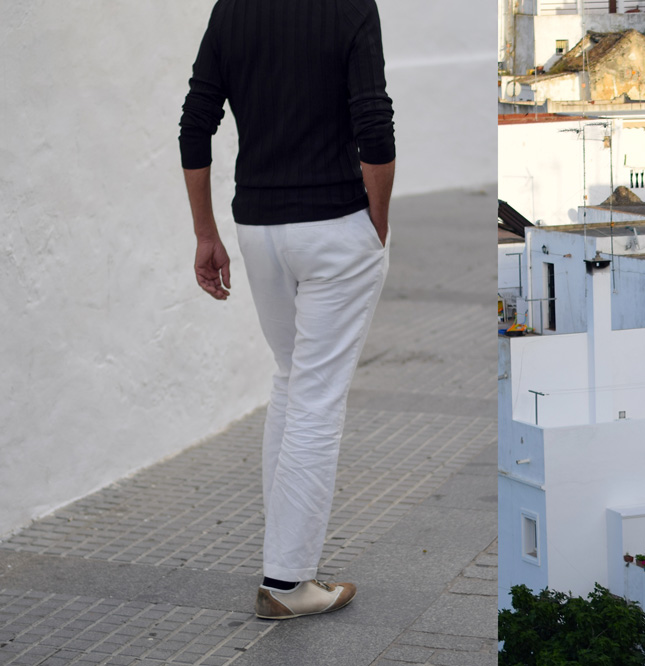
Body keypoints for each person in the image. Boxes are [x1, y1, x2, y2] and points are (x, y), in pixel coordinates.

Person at [178, 0, 395, 620]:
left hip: (258, 227)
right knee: (318, 396)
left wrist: (205, 233)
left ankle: (284, 563)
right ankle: (286, 581)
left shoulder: (233, 8)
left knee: (291, 379)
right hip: (334, 225)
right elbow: (374, 125)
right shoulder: (351, 7)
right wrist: (376, 221)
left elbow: (197, 122)